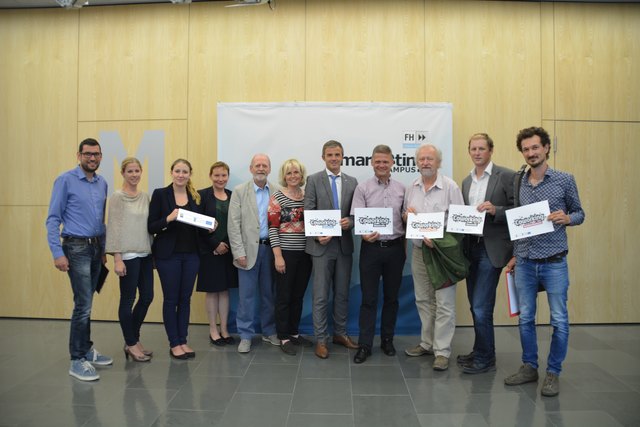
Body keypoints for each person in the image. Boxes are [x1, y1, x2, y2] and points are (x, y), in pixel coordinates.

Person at [504, 126, 585, 397]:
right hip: (525, 261)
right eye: (526, 149)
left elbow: (580, 213)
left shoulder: (564, 179)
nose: (531, 153)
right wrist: (515, 254)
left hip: (554, 262)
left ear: (546, 148)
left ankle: (553, 372)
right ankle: (529, 367)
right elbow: (519, 222)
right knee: (525, 317)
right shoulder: (518, 181)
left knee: (559, 319)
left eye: (535, 147)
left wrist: (567, 218)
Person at [46, 138, 113, 381]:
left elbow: (101, 221)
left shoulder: (102, 183)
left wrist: (103, 249)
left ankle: (86, 349)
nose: (92, 158)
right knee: (82, 305)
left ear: (101, 156)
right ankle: (76, 359)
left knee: (87, 302)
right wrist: (57, 253)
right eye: (87, 154)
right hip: (75, 248)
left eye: (96, 154)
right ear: (79, 155)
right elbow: (53, 219)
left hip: (96, 248)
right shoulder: (65, 180)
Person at [457, 133, 515, 374]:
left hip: (492, 249)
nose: (477, 153)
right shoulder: (466, 182)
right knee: (475, 305)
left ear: (491, 150)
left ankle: (485, 359)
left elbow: (520, 210)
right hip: (471, 246)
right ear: (469, 151)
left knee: (481, 306)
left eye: (482, 148)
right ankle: (481, 349)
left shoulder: (507, 176)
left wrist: (496, 210)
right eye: (473, 149)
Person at [403, 143, 464, 371]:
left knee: (445, 303)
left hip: (441, 254)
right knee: (423, 299)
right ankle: (427, 343)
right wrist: (406, 216)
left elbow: (459, 223)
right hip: (419, 251)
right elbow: (406, 215)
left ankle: (442, 351)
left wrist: (437, 240)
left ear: (439, 162)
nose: (425, 162)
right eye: (422, 159)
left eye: (430, 159)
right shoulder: (413, 187)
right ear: (417, 163)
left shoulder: (450, 187)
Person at [350, 145, 406, 364]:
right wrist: (363, 234)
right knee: (369, 299)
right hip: (371, 250)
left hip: (395, 249)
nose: (382, 165)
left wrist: (409, 215)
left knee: (392, 298)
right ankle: (365, 344)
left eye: (386, 161)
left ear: (392, 163)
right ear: (372, 163)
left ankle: (387, 340)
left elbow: (406, 216)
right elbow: (356, 217)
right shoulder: (362, 188)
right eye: (378, 161)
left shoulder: (403, 188)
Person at [304, 140, 359, 359]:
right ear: (323, 157)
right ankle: (321, 339)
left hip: (343, 245)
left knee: (342, 293)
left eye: (337, 155)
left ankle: (340, 333)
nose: (334, 158)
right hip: (321, 247)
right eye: (330, 155)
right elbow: (308, 210)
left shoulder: (352, 181)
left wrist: (350, 221)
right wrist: (317, 234)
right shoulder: (313, 180)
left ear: (343, 157)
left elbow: (356, 214)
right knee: (320, 295)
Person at [148, 159, 204, 360]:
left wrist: (210, 226)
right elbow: (152, 226)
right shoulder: (160, 194)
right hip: (168, 256)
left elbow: (199, 225)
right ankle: (174, 343)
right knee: (171, 299)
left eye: (185, 171)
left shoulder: (195, 196)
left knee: (185, 299)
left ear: (190, 174)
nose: (181, 175)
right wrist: (168, 218)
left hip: (191, 256)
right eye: (178, 171)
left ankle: (183, 340)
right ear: (171, 172)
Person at [228, 154, 279, 353]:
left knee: (269, 295)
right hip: (247, 252)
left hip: (270, 250)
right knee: (246, 297)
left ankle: (269, 331)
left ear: (269, 169)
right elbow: (233, 225)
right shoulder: (240, 191)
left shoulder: (276, 191)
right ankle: (246, 335)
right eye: (257, 165)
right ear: (250, 169)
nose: (260, 168)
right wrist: (238, 252)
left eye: (264, 165)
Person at [105, 157, 154, 362]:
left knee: (147, 297)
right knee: (128, 299)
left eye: (137, 171)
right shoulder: (117, 197)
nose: (134, 175)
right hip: (127, 256)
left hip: (145, 254)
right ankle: (132, 343)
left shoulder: (145, 196)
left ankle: (132, 339)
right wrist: (117, 258)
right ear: (123, 173)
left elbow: (151, 225)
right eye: (130, 171)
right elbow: (114, 227)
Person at [268, 159, 314, 356]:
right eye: (289, 173)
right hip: (285, 253)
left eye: (296, 172)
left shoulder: (308, 197)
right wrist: (278, 256)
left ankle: (294, 332)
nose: (293, 176)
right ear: (284, 176)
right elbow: (272, 228)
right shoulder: (277, 197)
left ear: (302, 175)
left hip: (306, 253)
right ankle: (283, 336)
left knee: (298, 295)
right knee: (284, 296)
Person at [196, 161, 238, 346]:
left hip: (229, 251)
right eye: (217, 175)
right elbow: (197, 224)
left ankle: (225, 329)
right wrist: (214, 244)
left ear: (228, 177)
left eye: (224, 175)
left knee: (225, 291)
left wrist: (226, 245)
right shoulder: (202, 196)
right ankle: (213, 329)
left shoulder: (232, 195)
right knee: (213, 291)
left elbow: (237, 223)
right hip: (209, 251)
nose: (221, 179)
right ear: (211, 176)